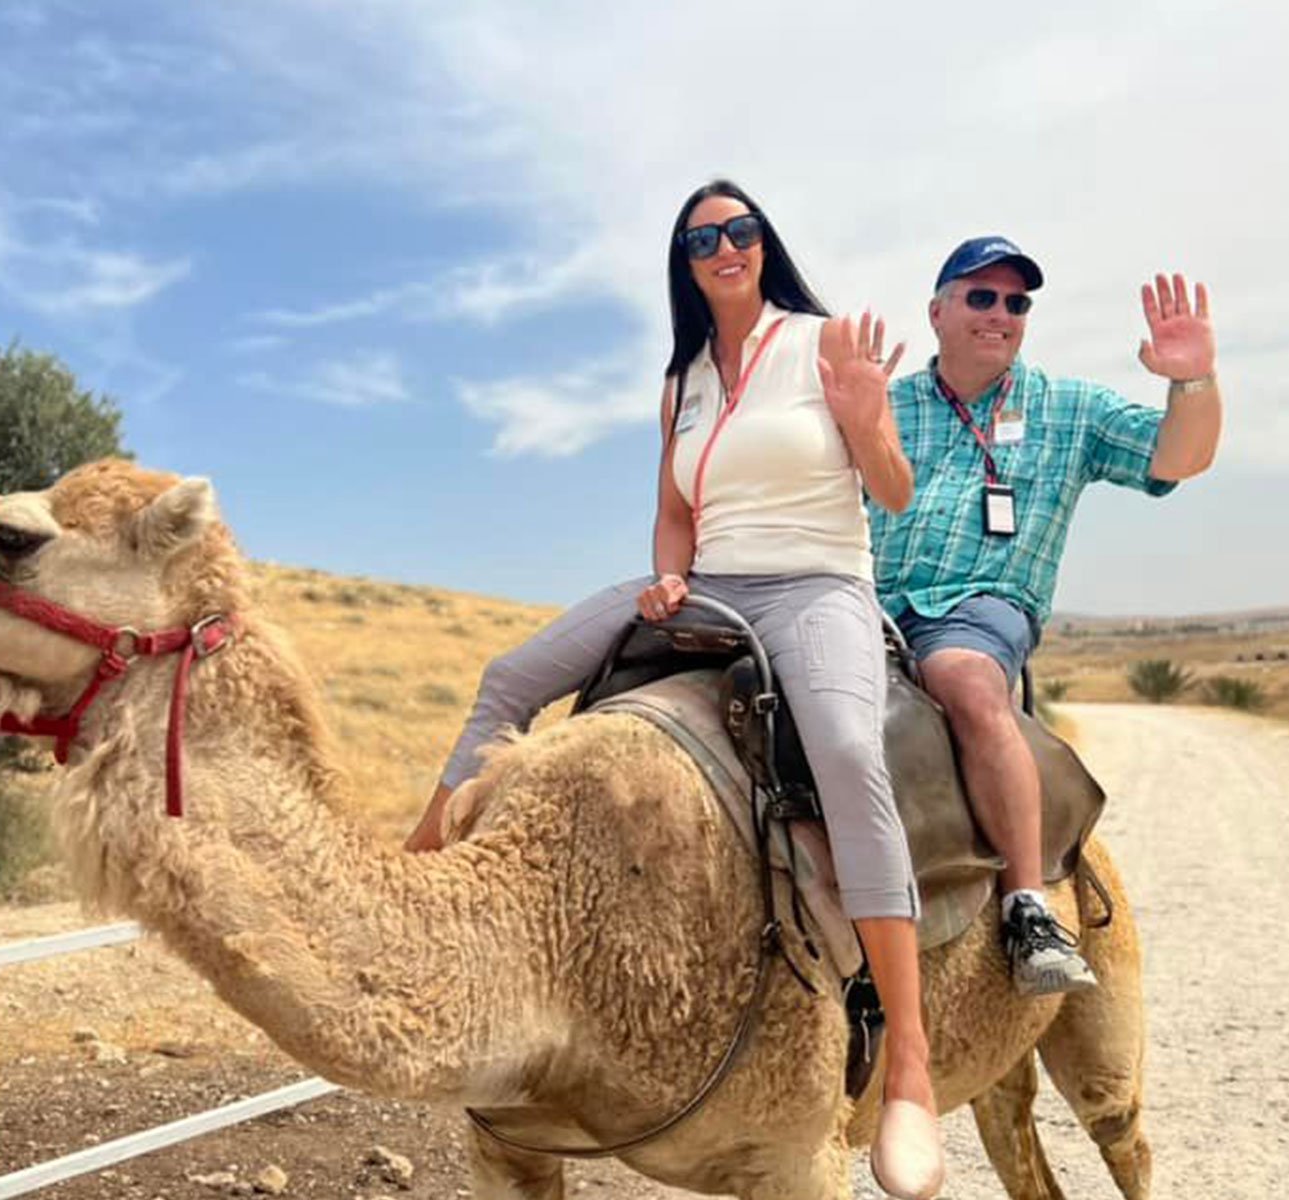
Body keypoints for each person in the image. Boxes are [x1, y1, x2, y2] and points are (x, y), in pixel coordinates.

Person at [406, 179, 944, 1199]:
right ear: (686, 263)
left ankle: (908, 1062)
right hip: (708, 585)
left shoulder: (823, 343)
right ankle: (412, 898)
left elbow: (893, 491)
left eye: (740, 231)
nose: (724, 247)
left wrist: (869, 420)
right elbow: (674, 509)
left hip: (817, 584)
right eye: (704, 238)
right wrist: (666, 573)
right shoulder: (683, 380)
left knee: (841, 747)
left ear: (762, 245)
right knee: (510, 678)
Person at [872, 237, 1221, 996]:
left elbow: (1178, 458)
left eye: (1016, 302)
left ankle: (1027, 911)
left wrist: (1192, 382)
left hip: (975, 610)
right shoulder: (881, 404)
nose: (1000, 313)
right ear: (937, 311)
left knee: (964, 682)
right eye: (981, 296)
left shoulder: (1069, 409)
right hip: (862, 603)